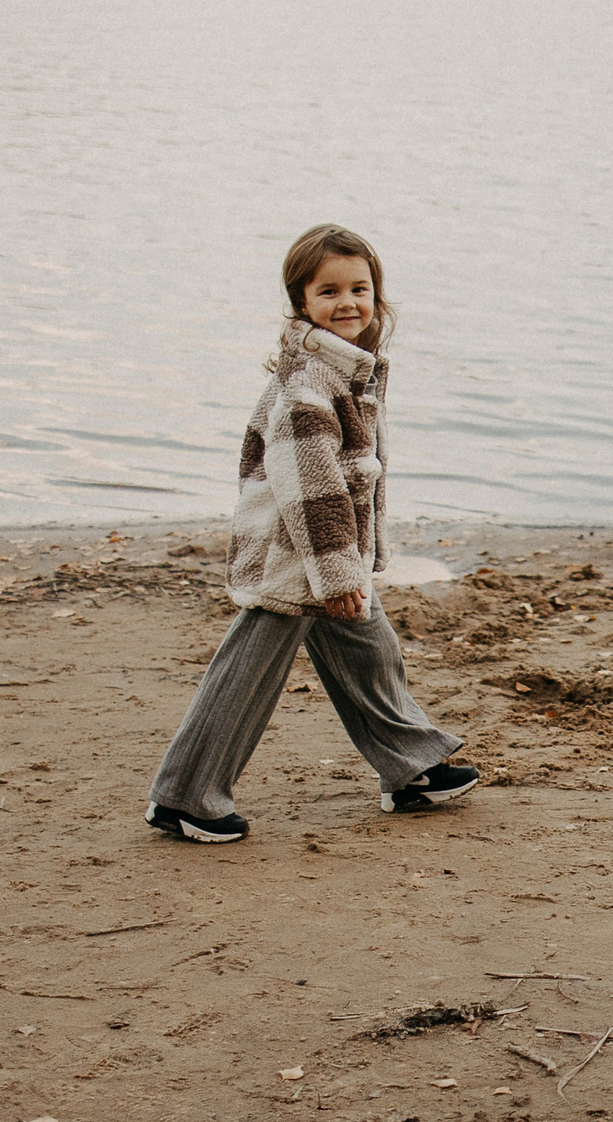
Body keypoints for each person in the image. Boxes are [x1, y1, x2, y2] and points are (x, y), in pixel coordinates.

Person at [145, 224, 475, 841]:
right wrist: (338, 572)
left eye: (360, 288)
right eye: (329, 291)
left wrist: (349, 563)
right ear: (302, 301)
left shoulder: (349, 371)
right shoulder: (308, 386)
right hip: (297, 554)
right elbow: (309, 488)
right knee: (248, 674)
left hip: (328, 554)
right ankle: (185, 797)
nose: (347, 303)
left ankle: (411, 764)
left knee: (370, 649)